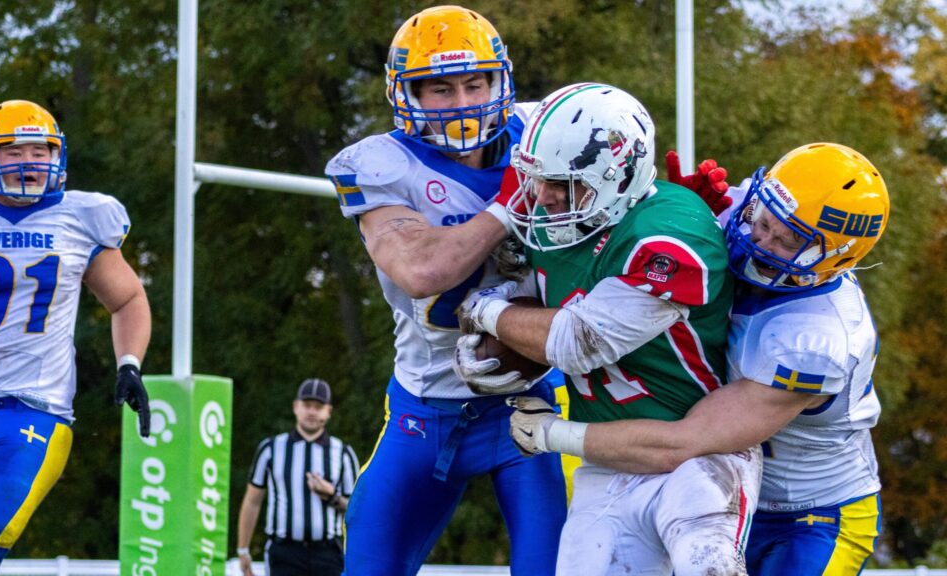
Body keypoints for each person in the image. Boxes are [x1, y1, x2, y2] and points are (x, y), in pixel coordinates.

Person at [508, 142, 889, 575]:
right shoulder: (745, 210)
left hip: (809, 515)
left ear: (835, 260)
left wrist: (552, 434)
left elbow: (684, 441)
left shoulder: (816, 339)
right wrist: (683, 224)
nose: (760, 240)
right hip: (714, 484)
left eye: (788, 241)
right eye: (765, 221)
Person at [454, 82, 761, 576]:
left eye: (562, 183)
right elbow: (540, 300)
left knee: (707, 566)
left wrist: (485, 311)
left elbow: (578, 342)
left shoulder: (670, 230)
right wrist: (494, 329)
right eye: (537, 178)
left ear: (619, 176)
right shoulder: (559, 225)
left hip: (698, 454)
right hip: (607, 465)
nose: (544, 196)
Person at [323, 6, 571, 574]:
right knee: (368, 564)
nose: (462, 102)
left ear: (498, 82)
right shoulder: (382, 165)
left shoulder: (545, 134)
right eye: (440, 88)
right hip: (425, 406)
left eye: (474, 83)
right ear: (406, 94)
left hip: (532, 397)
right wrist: (508, 206)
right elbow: (422, 270)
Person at [0, 99, 151, 574]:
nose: (28, 161)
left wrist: (129, 363)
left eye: (40, 150)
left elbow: (128, 298)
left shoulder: (80, 217)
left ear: (56, 154)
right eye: (13, 150)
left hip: (30, 418)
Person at [235, 378, 359, 576]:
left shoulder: (343, 453)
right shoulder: (271, 449)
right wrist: (243, 549)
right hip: (284, 552)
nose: (312, 412)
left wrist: (332, 495)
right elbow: (252, 501)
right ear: (295, 407)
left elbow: (357, 510)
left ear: (328, 411)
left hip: (328, 553)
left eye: (318, 407)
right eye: (307, 405)